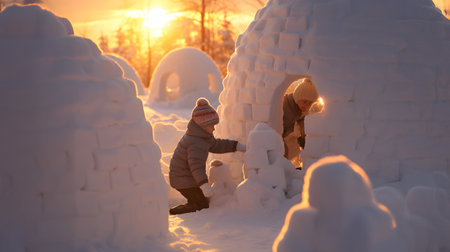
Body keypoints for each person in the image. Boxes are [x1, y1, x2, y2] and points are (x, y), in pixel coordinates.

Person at [169, 98, 246, 215]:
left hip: (189, 177)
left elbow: (217, 145)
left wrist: (236, 146)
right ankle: (175, 212)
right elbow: (196, 167)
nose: (214, 128)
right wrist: (204, 185)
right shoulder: (196, 143)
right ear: (203, 125)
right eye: (212, 125)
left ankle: (192, 203)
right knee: (201, 205)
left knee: (200, 201)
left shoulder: (202, 137)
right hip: (182, 179)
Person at [282, 78, 320, 170]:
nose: (306, 106)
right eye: (305, 101)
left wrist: (303, 141)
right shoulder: (284, 104)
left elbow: (302, 126)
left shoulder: (300, 110)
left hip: (285, 137)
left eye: (310, 103)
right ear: (298, 97)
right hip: (279, 136)